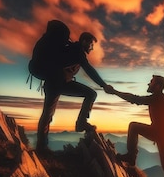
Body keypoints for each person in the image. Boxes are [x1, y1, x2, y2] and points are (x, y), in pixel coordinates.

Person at [35, 20, 113, 151]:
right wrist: (104, 85)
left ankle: (42, 145)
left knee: (48, 115)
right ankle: (43, 146)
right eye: (91, 45)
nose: (92, 48)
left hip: (59, 83)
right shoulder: (77, 51)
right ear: (85, 42)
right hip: (56, 84)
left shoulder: (73, 50)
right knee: (48, 115)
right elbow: (89, 69)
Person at [106, 75, 164, 177]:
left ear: (157, 86)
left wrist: (114, 92)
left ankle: (131, 156)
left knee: (133, 126)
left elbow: (135, 99)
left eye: (151, 82)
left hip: (159, 134)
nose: (149, 84)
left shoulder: (156, 98)